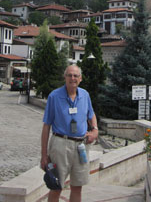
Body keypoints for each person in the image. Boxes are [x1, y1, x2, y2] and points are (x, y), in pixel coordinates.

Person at [40, 65, 98, 202]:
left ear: (80, 79)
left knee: (77, 187)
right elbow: (46, 126)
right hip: (60, 145)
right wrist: (44, 155)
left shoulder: (85, 95)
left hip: (81, 146)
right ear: (65, 77)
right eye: (70, 75)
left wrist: (95, 130)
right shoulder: (54, 96)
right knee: (55, 186)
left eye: (76, 76)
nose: (73, 78)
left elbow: (91, 114)